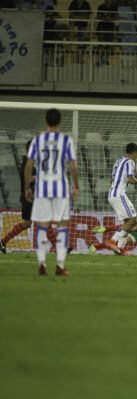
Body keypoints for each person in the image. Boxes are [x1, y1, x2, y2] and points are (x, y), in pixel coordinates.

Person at [24, 109, 79, 276]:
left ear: (45, 121)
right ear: (60, 122)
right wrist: (76, 186)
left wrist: (27, 187)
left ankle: (42, 263)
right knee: (62, 226)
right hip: (60, 188)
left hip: (42, 188)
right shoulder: (65, 141)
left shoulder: (37, 141)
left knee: (42, 225)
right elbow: (72, 166)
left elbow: (28, 165)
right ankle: (60, 266)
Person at [89, 143, 137, 254]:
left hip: (112, 194)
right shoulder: (130, 162)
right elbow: (131, 180)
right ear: (135, 152)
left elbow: (111, 180)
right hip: (119, 194)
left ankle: (118, 248)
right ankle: (112, 241)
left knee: (130, 225)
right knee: (132, 221)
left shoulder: (118, 161)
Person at [0, 140, 58, 253]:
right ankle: (58, 248)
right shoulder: (28, 163)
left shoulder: (25, 161)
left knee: (26, 223)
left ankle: (3, 241)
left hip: (27, 197)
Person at [96, 0, 117, 66]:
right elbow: (98, 16)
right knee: (101, 44)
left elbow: (117, 17)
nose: (108, 1)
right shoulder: (101, 7)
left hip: (110, 28)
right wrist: (104, 18)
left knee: (109, 44)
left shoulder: (114, 7)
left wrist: (110, 19)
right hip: (102, 27)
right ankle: (99, 59)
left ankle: (106, 59)